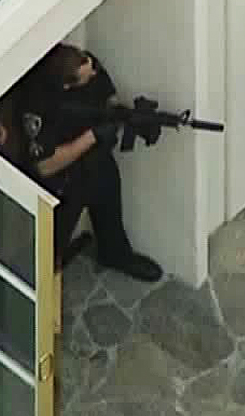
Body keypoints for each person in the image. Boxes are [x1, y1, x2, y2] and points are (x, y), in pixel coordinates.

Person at [17, 45, 163, 283]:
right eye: (88, 76)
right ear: (67, 86)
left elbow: (105, 94)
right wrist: (93, 136)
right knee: (57, 230)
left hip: (84, 156)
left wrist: (120, 113)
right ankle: (44, 277)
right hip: (55, 177)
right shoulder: (38, 100)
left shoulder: (86, 63)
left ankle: (115, 252)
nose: (94, 73)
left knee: (105, 175)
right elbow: (44, 166)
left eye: (91, 68)